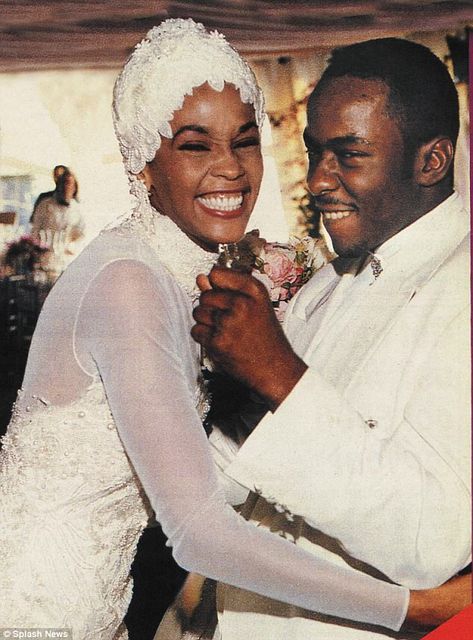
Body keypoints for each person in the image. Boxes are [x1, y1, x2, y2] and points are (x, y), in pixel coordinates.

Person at [1, 20, 436, 640]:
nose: (230, 170)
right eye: (195, 145)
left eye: (245, 140)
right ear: (143, 165)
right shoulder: (131, 283)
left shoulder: (172, 269)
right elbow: (199, 532)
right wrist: (413, 608)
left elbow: (201, 471)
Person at [192, 38, 471, 638]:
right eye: (314, 153)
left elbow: (431, 542)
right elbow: (237, 478)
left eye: (350, 156)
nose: (319, 182)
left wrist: (278, 376)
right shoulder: (328, 283)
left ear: (432, 161)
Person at [30, 167, 85, 269]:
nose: (66, 187)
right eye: (63, 183)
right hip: (45, 258)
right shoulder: (45, 205)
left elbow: (81, 233)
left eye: (69, 183)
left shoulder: (77, 209)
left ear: (75, 187)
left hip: (66, 259)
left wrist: (71, 246)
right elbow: (35, 229)